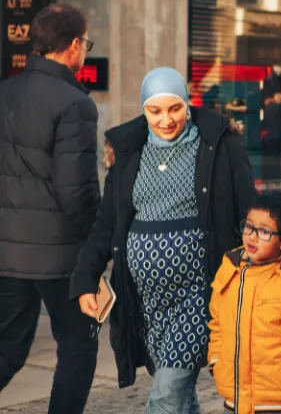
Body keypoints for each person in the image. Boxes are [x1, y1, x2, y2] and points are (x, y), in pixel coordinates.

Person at [70, 67, 256, 413]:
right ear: (144, 110)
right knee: (180, 392)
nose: (166, 120)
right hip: (147, 300)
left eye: (174, 109)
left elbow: (249, 208)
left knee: (167, 393)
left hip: (200, 291)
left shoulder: (218, 145)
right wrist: (85, 279)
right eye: (155, 111)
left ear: (187, 104)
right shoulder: (128, 153)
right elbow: (106, 224)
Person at [0, 4, 101, 414]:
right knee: (78, 346)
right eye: (86, 43)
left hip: (6, 252)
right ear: (74, 45)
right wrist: (98, 241)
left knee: (7, 347)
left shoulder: (4, 93)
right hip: (60, 257)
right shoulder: (75, 104)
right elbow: (76, 191)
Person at [209, 190, 281, 414]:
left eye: (265, 232)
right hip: (236, 397)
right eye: (249, 227)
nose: (252, 237)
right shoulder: (230, 268)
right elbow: (217, 321)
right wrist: (216, 361)